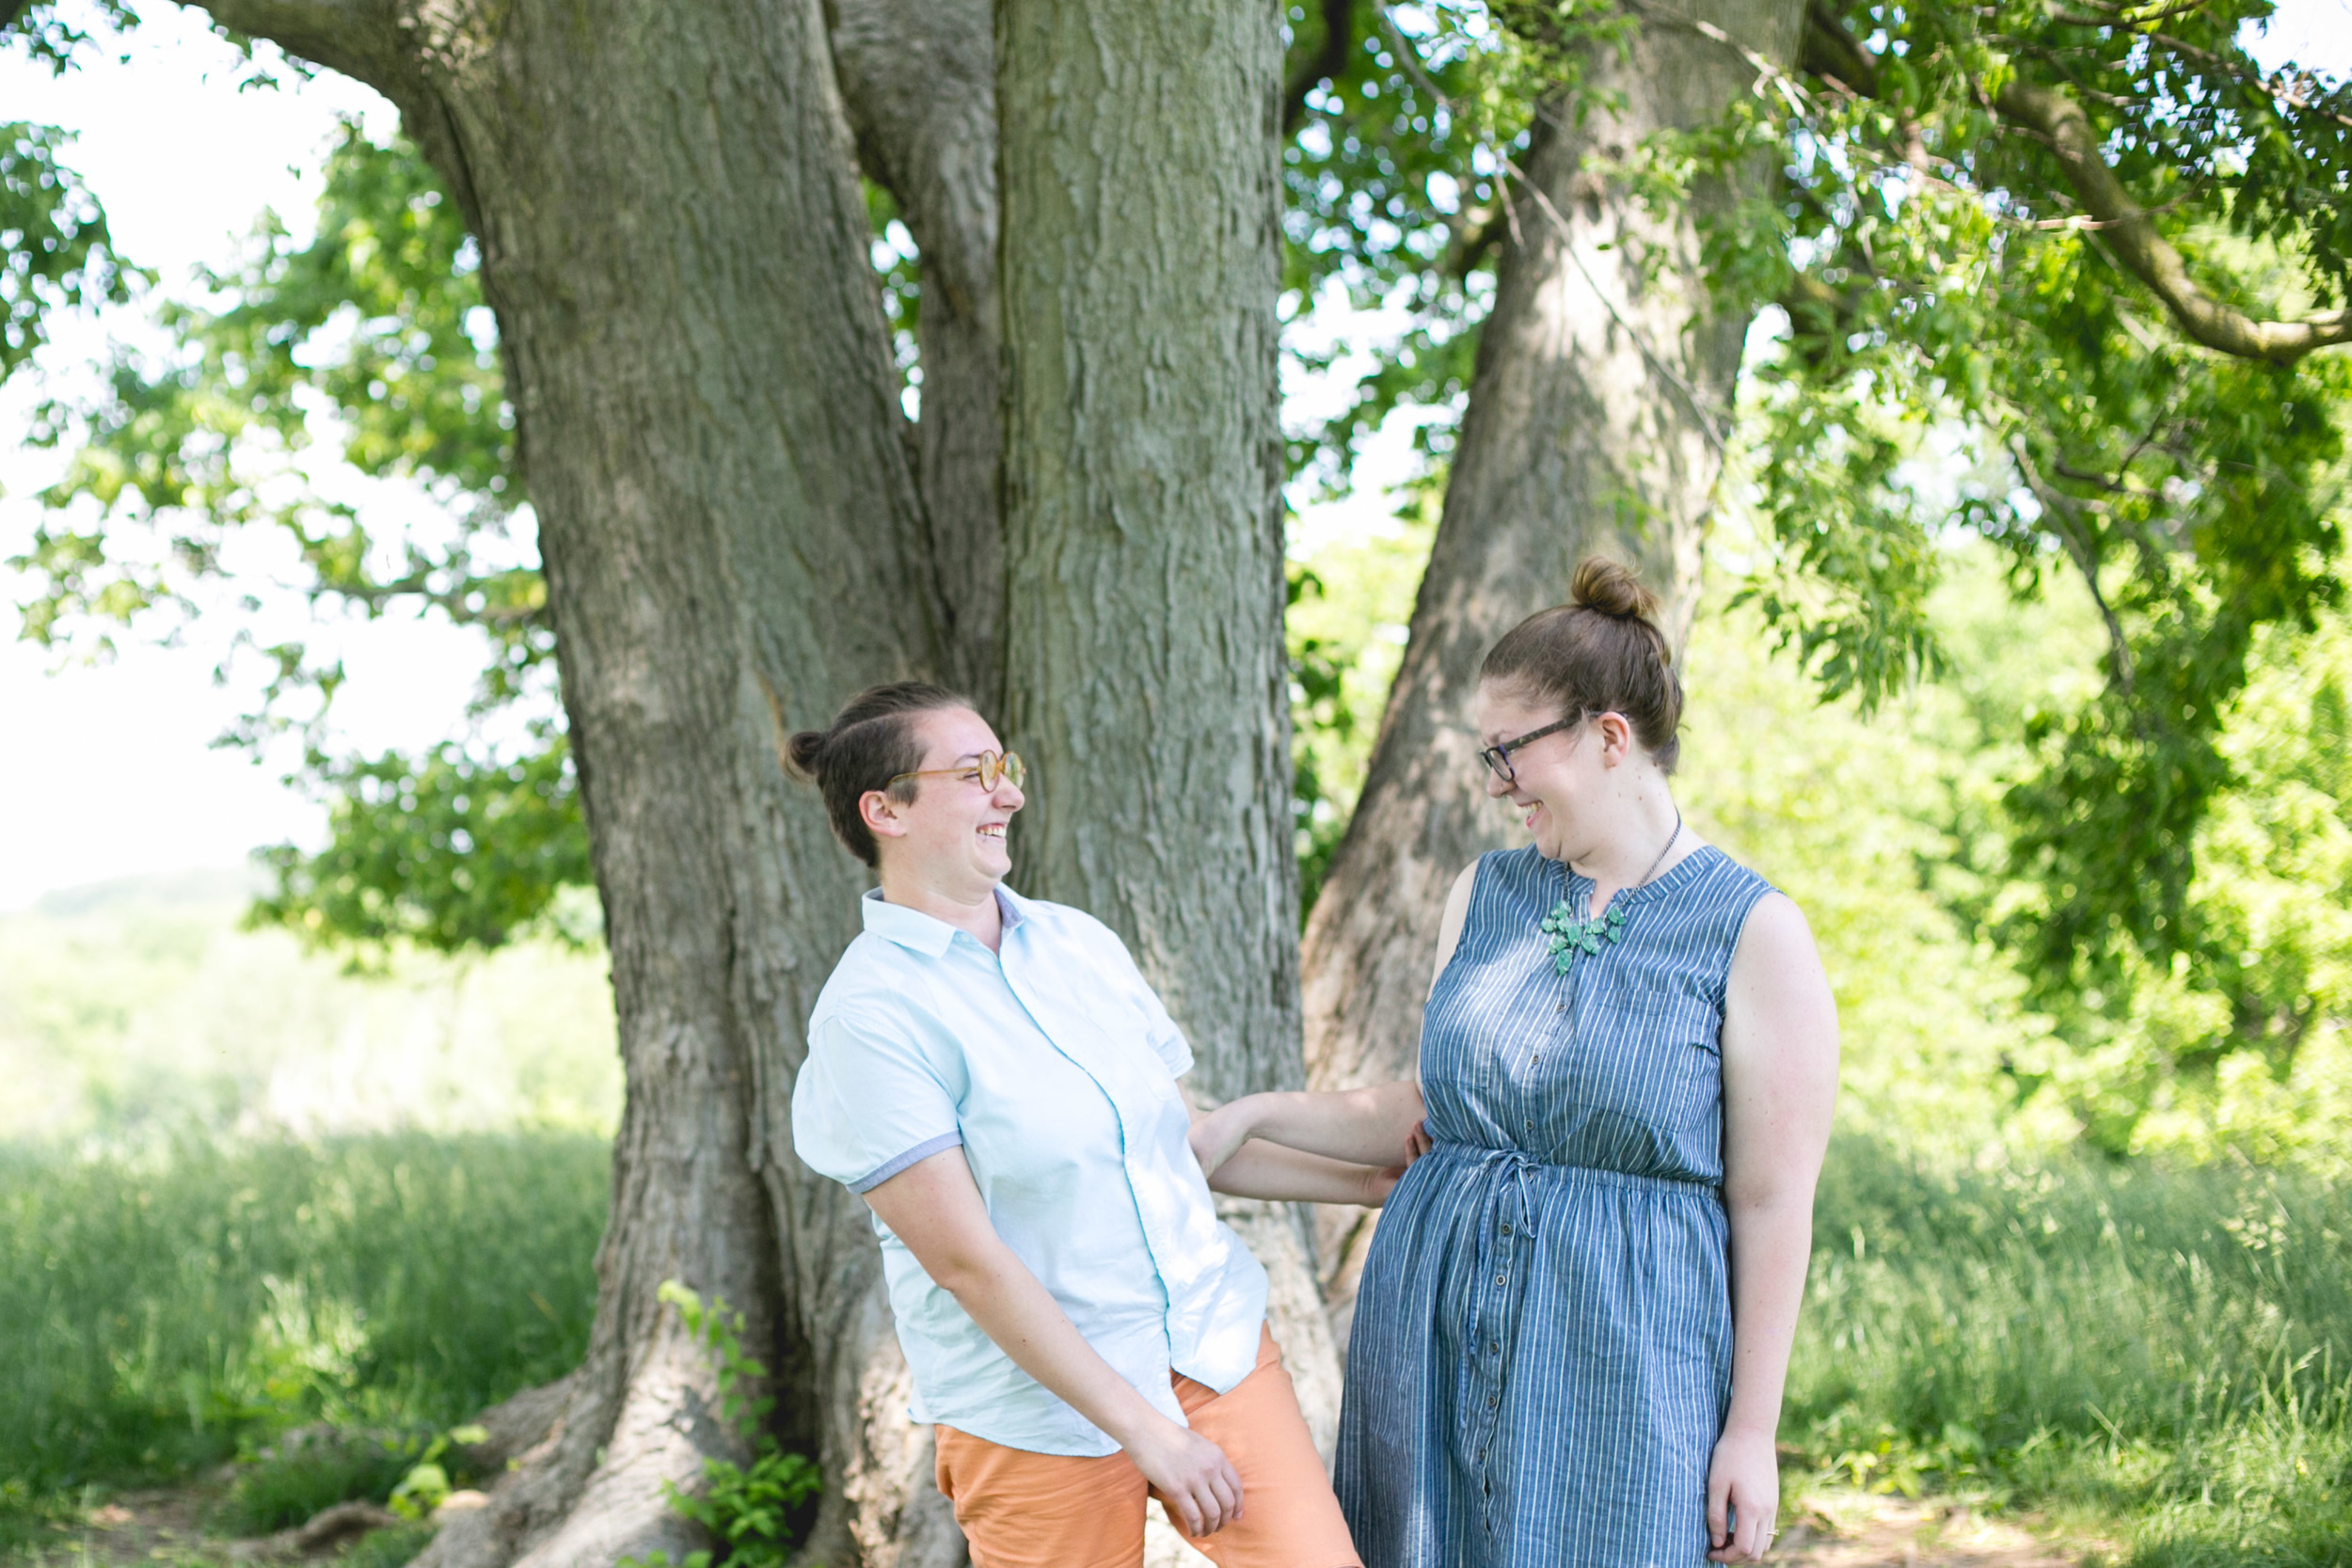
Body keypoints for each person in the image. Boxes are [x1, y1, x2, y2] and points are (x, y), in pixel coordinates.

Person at [1188, 559, 1841, 1567]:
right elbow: (1429, 1108)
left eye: (1508, 751)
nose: (1494, 784)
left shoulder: (1752, 928)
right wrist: (1247, 1117)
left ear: (1608, 737)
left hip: (1623, 1354)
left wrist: (1749, 1431)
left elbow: (1771, 1201)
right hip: (1430, 1334)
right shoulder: (1484, 892)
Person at [787, 682, 1407, 1568]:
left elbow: (1181, 1146)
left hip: (1210, 1348)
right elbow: (968, 1262)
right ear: (884, 808)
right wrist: (1147, 1431)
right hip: (1036, 1412)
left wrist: (1375, 1185)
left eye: (1006, 767)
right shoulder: (871, 1015)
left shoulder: (1078, 943)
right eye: (974, 772)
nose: (1010, 793)